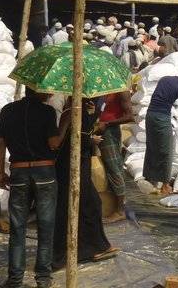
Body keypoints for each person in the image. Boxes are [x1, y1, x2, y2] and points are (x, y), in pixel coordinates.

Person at [0, 87, 68, 288]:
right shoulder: (47, 112)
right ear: (40, 91)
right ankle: (43, 279)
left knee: (17, 228)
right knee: (46, 226)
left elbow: (1, 143)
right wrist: (66, 123)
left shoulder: (7, 110)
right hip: (44, 172)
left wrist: (1, 172)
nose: (51, 94)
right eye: (48, 90)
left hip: (18, 172)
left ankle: (15, 279)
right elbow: (54, 144)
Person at [52, 98, 119, 269]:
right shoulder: (70, 113)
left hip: (79, 165)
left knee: (84, 206)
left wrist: (93, 116)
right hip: (71, 167)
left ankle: (88, 249)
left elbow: (81, 134)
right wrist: (91, 141)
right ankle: (89, 249)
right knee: (88, 205)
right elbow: (68, 140)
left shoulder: (82, 111)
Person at [95, 90, 134, 223]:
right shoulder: (105, 90)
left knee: (114, 168)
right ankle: (114, 206)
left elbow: (130, 116)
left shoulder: (121, 91)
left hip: (109, 132)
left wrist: (107, 124)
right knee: (110, 167)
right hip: (101, 129)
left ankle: (120, 210)